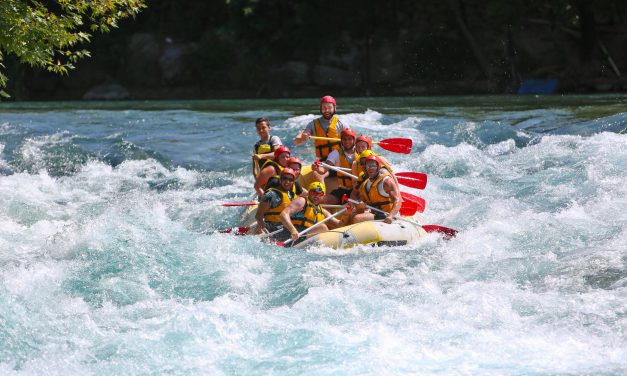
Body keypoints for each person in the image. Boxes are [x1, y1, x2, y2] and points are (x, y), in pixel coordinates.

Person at [280, 182, 349, 243]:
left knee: (322, 227)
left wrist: (347, 213)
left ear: (323, 196)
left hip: (305, 238)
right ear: (308, 193)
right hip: (292, 236)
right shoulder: (302, 201)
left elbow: (339, 225)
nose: (316, 196)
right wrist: (293, 230)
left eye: (320, 194)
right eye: (313, 193)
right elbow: (283, 214)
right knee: (322, 227)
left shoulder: (323, 212)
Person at [349, 155, 401, 225]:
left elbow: (398, 201)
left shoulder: (386, 181)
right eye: (368, 166)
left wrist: (391, 216)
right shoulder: (365, 184)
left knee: (358, 218)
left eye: (373, 165)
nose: (370, 168)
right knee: (351, 215)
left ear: (378, 167)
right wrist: (360, 205)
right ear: (365, 168)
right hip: (374, 213)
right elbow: (362, 201)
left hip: (386, 214)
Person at [294, 95, 345, 161]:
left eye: (329, 107)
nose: (327, 110)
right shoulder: (312, 124)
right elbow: (296, 141)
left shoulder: (341, 124)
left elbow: (351, 141)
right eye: (324, 108)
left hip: (339, 160)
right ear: (321, 109)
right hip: (323, 161)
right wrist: (303, 137)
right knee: (318, 171)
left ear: (334, 108)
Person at [313, 127, 357, 204]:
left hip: (357, 190)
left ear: (354, 140)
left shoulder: (361, 153)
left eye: (350, 139)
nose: (347, 142)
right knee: (322, 201)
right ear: (341, 141)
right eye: (344, 139)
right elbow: (323, 170)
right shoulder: (335, 154)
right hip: (342, 190)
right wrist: (316, 168)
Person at [255, 168, 298, 235]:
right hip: (271, 229)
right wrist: (263, 229)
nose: (287, 181)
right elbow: (258, 215)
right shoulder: (271, 195)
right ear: (280, 179)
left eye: (290, 180)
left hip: (286, 229)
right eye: (285, 178)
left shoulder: (293, 195)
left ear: (293, 181)